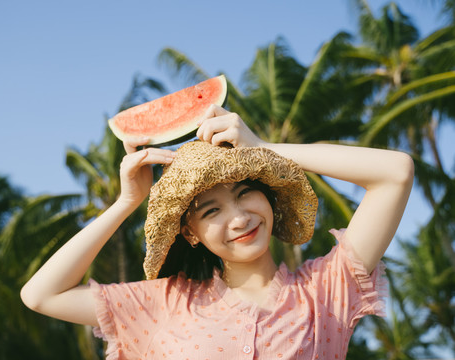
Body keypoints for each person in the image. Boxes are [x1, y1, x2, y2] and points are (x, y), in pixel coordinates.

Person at [21, 105, 414, 359]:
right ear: (190, 231)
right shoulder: (165, 302)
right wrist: (127, 201)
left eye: (246, 194)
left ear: (270, 199)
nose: (239, 218)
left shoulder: (326, 292)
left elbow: (395, 172)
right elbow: (41, 294)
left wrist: (264, 148)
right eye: (212, 210)